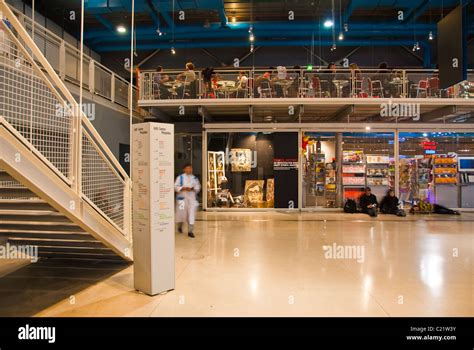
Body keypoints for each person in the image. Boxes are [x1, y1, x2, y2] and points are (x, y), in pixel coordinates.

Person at [174, 164, 201, 238]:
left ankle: (190, 231)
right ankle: (180, 226)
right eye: (187, 168)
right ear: (184, 169)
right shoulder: (180, 177)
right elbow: (175, 186)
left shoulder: (194, 178)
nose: (189, 170)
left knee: (191, 214)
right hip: (182, 199)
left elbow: (198, 187)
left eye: (190, 168)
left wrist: (192, 189)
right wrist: (183, 188)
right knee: (181, 214)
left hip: (191, 199)